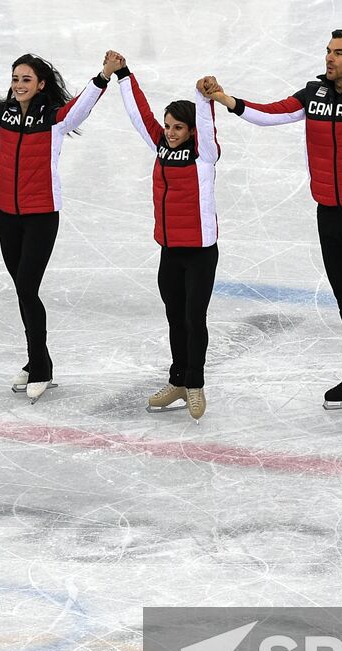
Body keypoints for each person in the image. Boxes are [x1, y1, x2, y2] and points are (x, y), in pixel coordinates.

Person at [209, 30, 342, 428]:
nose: (330, 58)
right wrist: (227, 100)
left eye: (339, 53)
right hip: (327, 213)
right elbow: (272, 113)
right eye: (329, 51)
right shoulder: (313, 94)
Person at [0, 31, 114, 402]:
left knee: (27, 287)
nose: (18, 85)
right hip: (7, 215)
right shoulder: (3, 114)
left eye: (26, 79)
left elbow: (81, 107)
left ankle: (40, 367)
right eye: (15, 79)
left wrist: (103, 75)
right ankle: (35, 360)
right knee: (22, 290)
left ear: (41, 84)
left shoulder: (54, 118)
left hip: (41, 215)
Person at [109, 54, 220, 422]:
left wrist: (203, 98)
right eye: (168, 126)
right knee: (175, 317)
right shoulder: (160, 146)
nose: (170, 132)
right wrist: (123, 74)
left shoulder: (205, 156)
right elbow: (139, 114)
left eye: (178, 128)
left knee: (194, 318)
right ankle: (177, 380)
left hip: (201, 253)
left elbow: (207, 123)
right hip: (169, 250)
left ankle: (196, 383)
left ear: (192, 131)